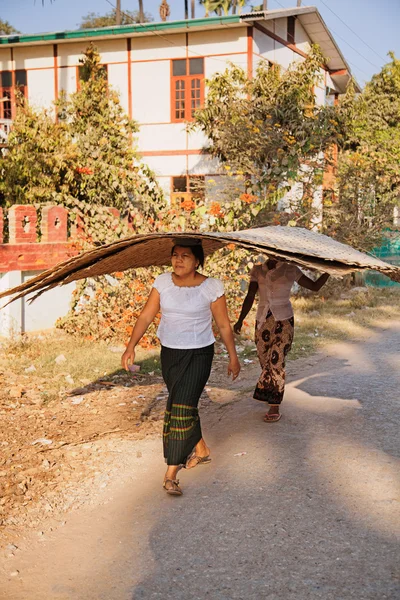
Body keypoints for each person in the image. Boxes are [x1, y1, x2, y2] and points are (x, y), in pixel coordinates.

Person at [122, 238, 241, 496]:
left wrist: (233, 356)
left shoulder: (211, 287)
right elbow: (146, 315)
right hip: (170, 355)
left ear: (198, 260)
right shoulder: (163, 283)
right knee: (181, 403)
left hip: (199, 354)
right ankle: (201, 449)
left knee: (179, 407)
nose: (178, 260)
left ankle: (171, 472)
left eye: (185, 255)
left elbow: (223, 326)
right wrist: (131, 346)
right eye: (175, 255)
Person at [234, 257, 329, 423]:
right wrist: (240, 319)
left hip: (284, 321)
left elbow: (314, 286)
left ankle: (274, 404)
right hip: (262, 321)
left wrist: (329, 271)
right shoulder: (257, 270)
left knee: (276, 361)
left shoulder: (290, 269)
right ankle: (270, 391)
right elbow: (250, 295)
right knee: (265, 361)